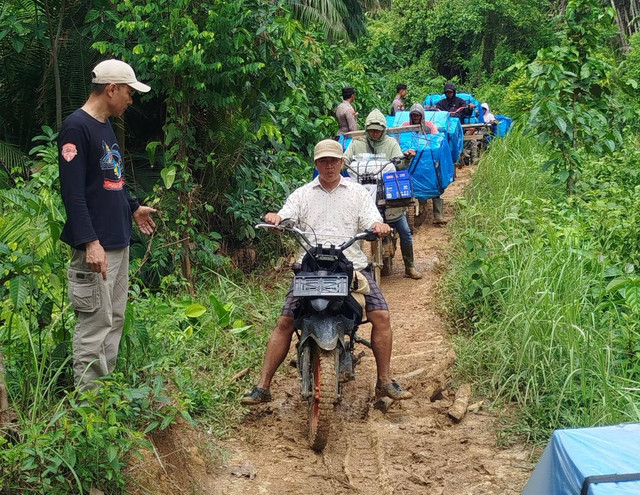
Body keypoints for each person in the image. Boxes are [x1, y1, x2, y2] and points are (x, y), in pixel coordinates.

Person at [241, 139, 412, 405]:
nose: (329, 166)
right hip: (309, 270)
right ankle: (263, 386)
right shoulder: (302, 194)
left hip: (351, 267)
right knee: (285, 322)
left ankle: (384, 381)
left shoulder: (357, 193)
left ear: (342, 163)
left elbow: (371, 218)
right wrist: (276, 219)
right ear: (316, 164)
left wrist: (378, 225)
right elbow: (286, 215)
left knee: (381, 316)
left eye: (334, 160)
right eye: (323, 161)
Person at [58, 59, 157, 391]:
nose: (131, 99)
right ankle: (88, 406)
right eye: (128, 92)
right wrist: (90, 242)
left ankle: (104, 397)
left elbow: (111, 178)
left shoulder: (105, 125)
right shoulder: (77, 127)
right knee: (94, 324)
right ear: (111, 89)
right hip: (98, 247)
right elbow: (72, 194)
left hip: (118, 241)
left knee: (114, 319)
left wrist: (133, 208)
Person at [344, 109, 422, 279]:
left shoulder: (391, 143)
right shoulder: (356, 143)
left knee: (405, 231)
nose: (374, 133)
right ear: (366, 129)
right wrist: (339, 161)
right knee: (351, 233)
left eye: (377, 130)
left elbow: (400, 166)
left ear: (383, 130)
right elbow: (345, 161)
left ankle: (410, 266)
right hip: (363, 196)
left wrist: (406, 157)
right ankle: (351, 269)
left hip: (387, 196)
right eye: (371, 130)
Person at [403, 104, 446, 225]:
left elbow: (436, 141)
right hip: (412, 163)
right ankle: (414, 211)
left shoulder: (429, 126)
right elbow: (401, 140)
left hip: (427, 163)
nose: (416, 117)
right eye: (413, 115)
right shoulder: (405, 126)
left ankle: (438, 215)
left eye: (418, 115)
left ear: (422, 115)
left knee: (435, 184)